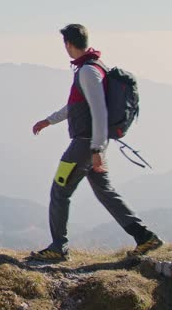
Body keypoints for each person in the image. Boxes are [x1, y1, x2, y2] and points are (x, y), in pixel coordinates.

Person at [30, 24, 163, 261]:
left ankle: (58, 247)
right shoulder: (95, 67)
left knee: (59, 190)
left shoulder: (87, 72)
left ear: (68, 44)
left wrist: (97, 149)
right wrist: (49, 121)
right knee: (105, 191)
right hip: (92, 144)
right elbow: (76, 105)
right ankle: (145, 236)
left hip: (84, 145)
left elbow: (99, 112)